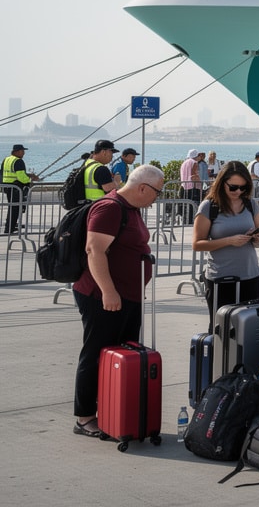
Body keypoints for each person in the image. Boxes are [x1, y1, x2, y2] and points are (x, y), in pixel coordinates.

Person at [72, 165, 164, 439]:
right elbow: (94, 250)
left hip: (128, 295)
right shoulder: (110, 208)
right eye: (157, 192)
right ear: (143, 188)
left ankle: (113, 411)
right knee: (96, 353)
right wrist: (109, 291)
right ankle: (85, 417)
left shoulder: (131, 208)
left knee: (120, 355)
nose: (157, 198)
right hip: (104, 296)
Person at [193, 160, 259, 315]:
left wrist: (258, 238)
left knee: (249, 327)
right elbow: (197, 244)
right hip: (221, 278)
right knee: (221, 328)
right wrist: (228, 241)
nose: (238, 191)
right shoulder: (209, 207)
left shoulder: (250, 204)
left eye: (243, 187)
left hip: (250, 275)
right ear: (221, 183)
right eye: (233, 187)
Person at [3, 144, 32, 234]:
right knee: (15, 208)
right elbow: (21, 177)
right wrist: (30, 180)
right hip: (16, 187)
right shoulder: (18, 161)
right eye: (22, 151)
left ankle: (10, 226)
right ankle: (9, 229)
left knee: (12, 207)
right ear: (16, 152)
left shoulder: (6, 159)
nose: (23, 153)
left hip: (7, 186)